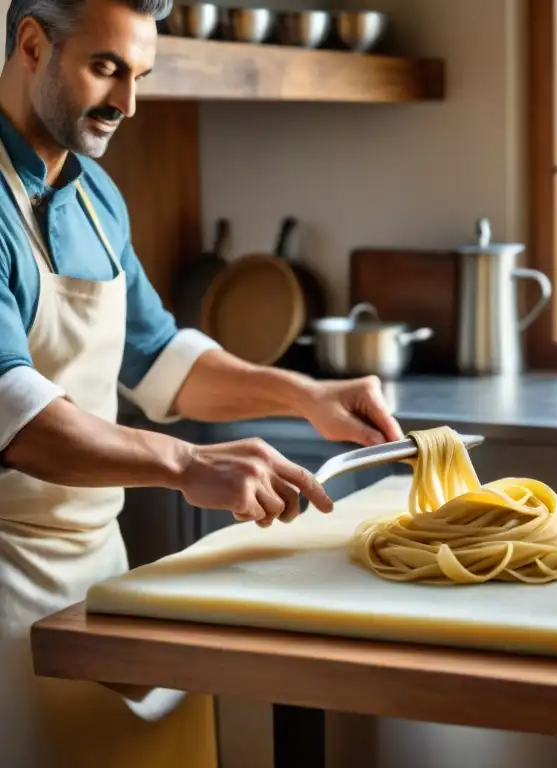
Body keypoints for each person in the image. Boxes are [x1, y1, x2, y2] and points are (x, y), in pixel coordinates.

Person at [0, 0, 404, 763]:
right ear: (30, 44)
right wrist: (188, 465)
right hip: (6, 586)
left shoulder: (95, 196)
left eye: (140, 75)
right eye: (106, 69)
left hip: (99, 578)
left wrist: (303, 395)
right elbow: (15, 420)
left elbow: (159, 359)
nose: (127, 104)